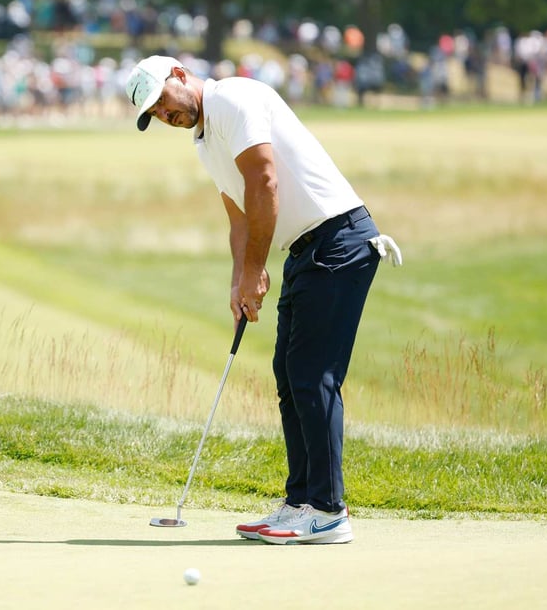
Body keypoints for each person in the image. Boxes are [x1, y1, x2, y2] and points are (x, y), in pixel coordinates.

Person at [125, 55, 401, 545]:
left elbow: (264, 181)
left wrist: (256, 269)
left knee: (313, 376)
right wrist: (239, 278)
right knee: (289, 375)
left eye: (163, 102)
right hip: (306, 250)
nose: (166, 116)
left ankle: (329, 510)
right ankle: (300, 503)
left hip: (339, 239)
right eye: (157, 115)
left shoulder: (234, 98)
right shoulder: (204, 140)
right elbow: (239, 217)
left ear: (180, 75)